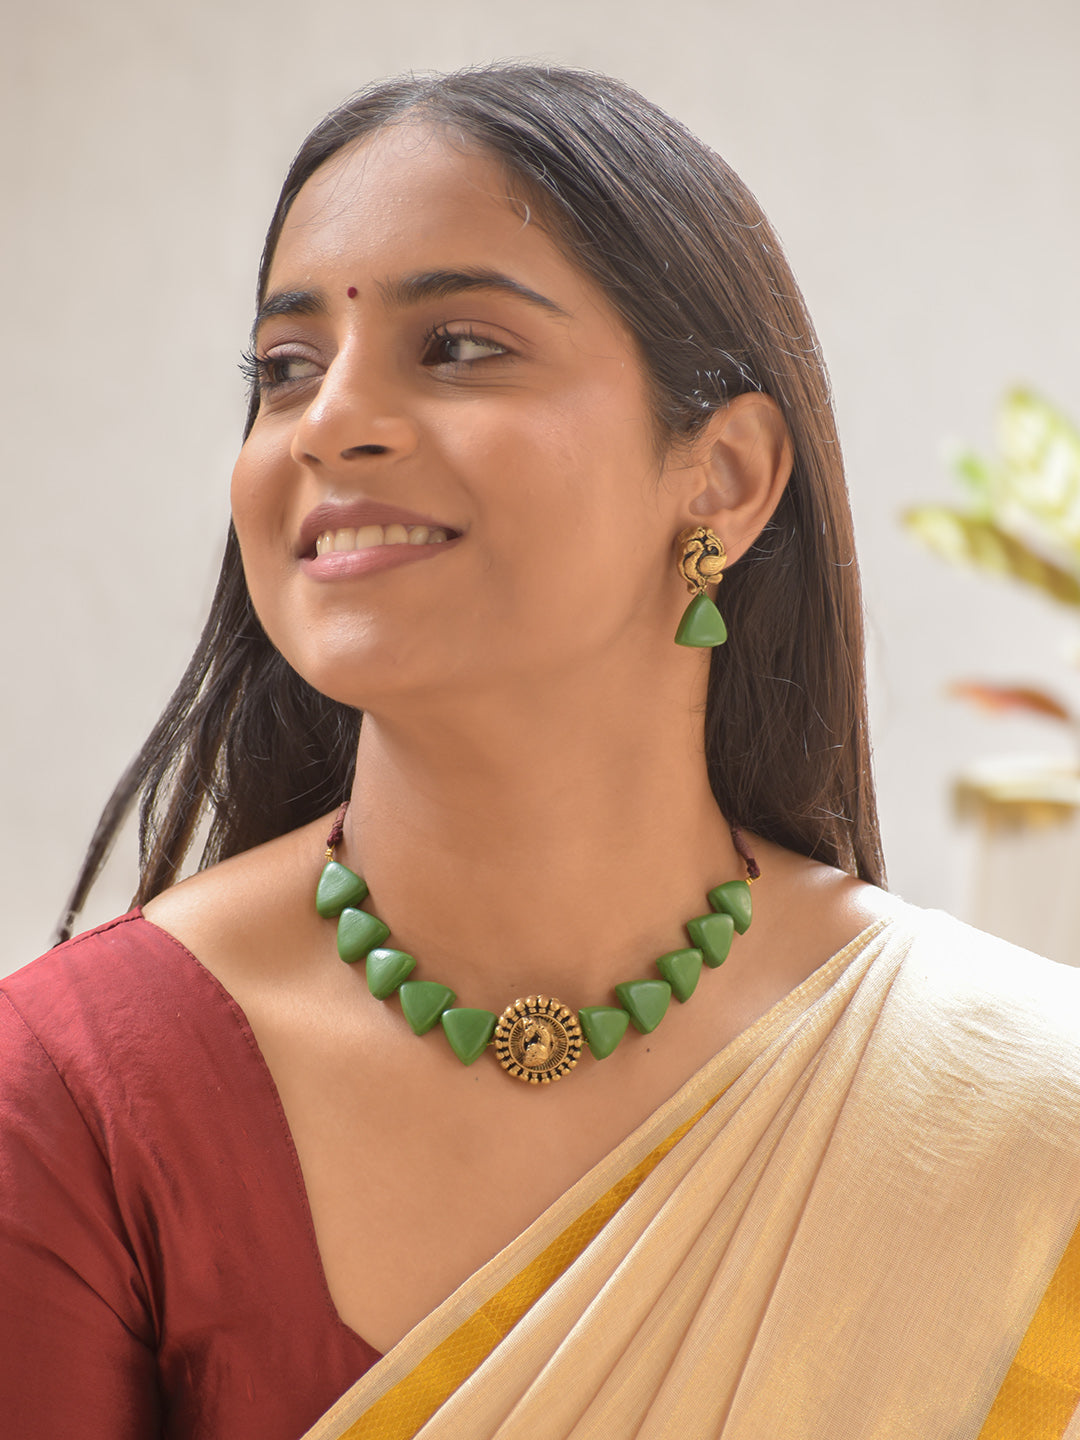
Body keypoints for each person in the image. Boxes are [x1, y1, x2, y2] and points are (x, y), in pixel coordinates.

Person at [1, 64, 1078, 1440]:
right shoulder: (83, 1093)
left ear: (725, 479)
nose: (330, 422)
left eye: (457, 346)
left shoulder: (1022, 1101)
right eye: (285, 371)